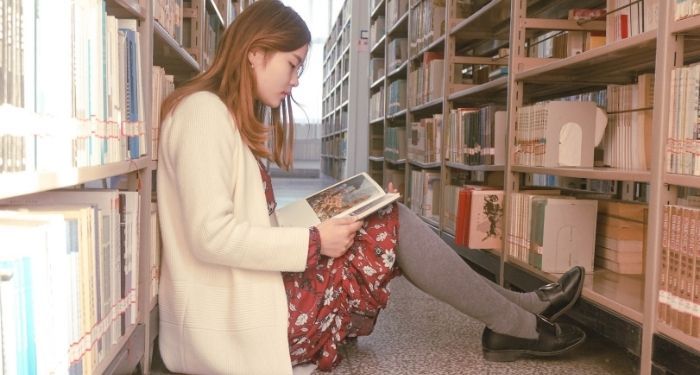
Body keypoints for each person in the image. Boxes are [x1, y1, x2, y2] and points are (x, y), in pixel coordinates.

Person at [156, 1, 587, 374]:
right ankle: (518, 321)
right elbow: (210, 236)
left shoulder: (215, 113)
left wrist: (316, 222)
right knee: (389, 221)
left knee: (379, 216)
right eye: (292, 64)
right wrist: (313, 241)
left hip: (253, 307)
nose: (295, 80)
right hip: (237, 328)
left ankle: (522, 311)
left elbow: (238, 225)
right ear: (255, 53)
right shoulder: (202, 114)